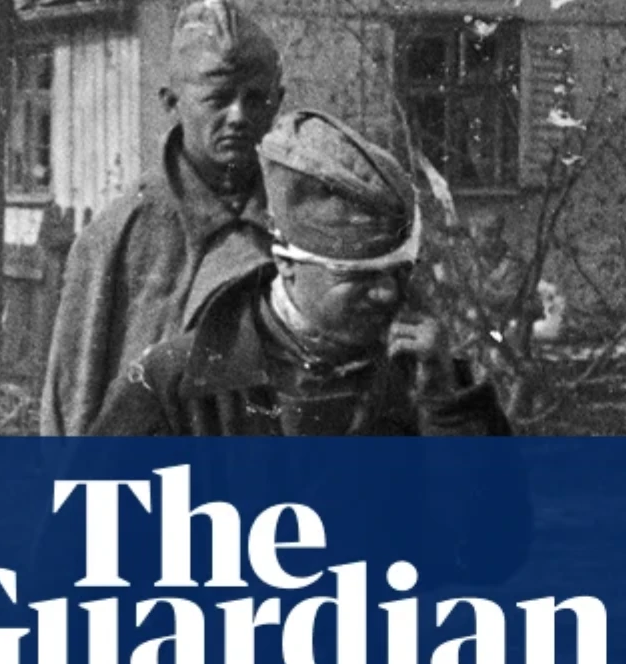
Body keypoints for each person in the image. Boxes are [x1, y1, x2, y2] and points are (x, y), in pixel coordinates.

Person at [91, 109, 513, 436]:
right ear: (287, 264)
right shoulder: (172, 388)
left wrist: (444, 407)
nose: (387, 294)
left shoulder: (426, 377)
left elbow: (496, 542)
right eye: (358, 275)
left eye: (399, 272)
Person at [39, 0, 285, 436]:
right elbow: (72, 408)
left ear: (279, 102)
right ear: (171, 102)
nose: (239, 116)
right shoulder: (118, 238)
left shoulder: (302, 223)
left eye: (256, 99)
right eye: (218, 98)